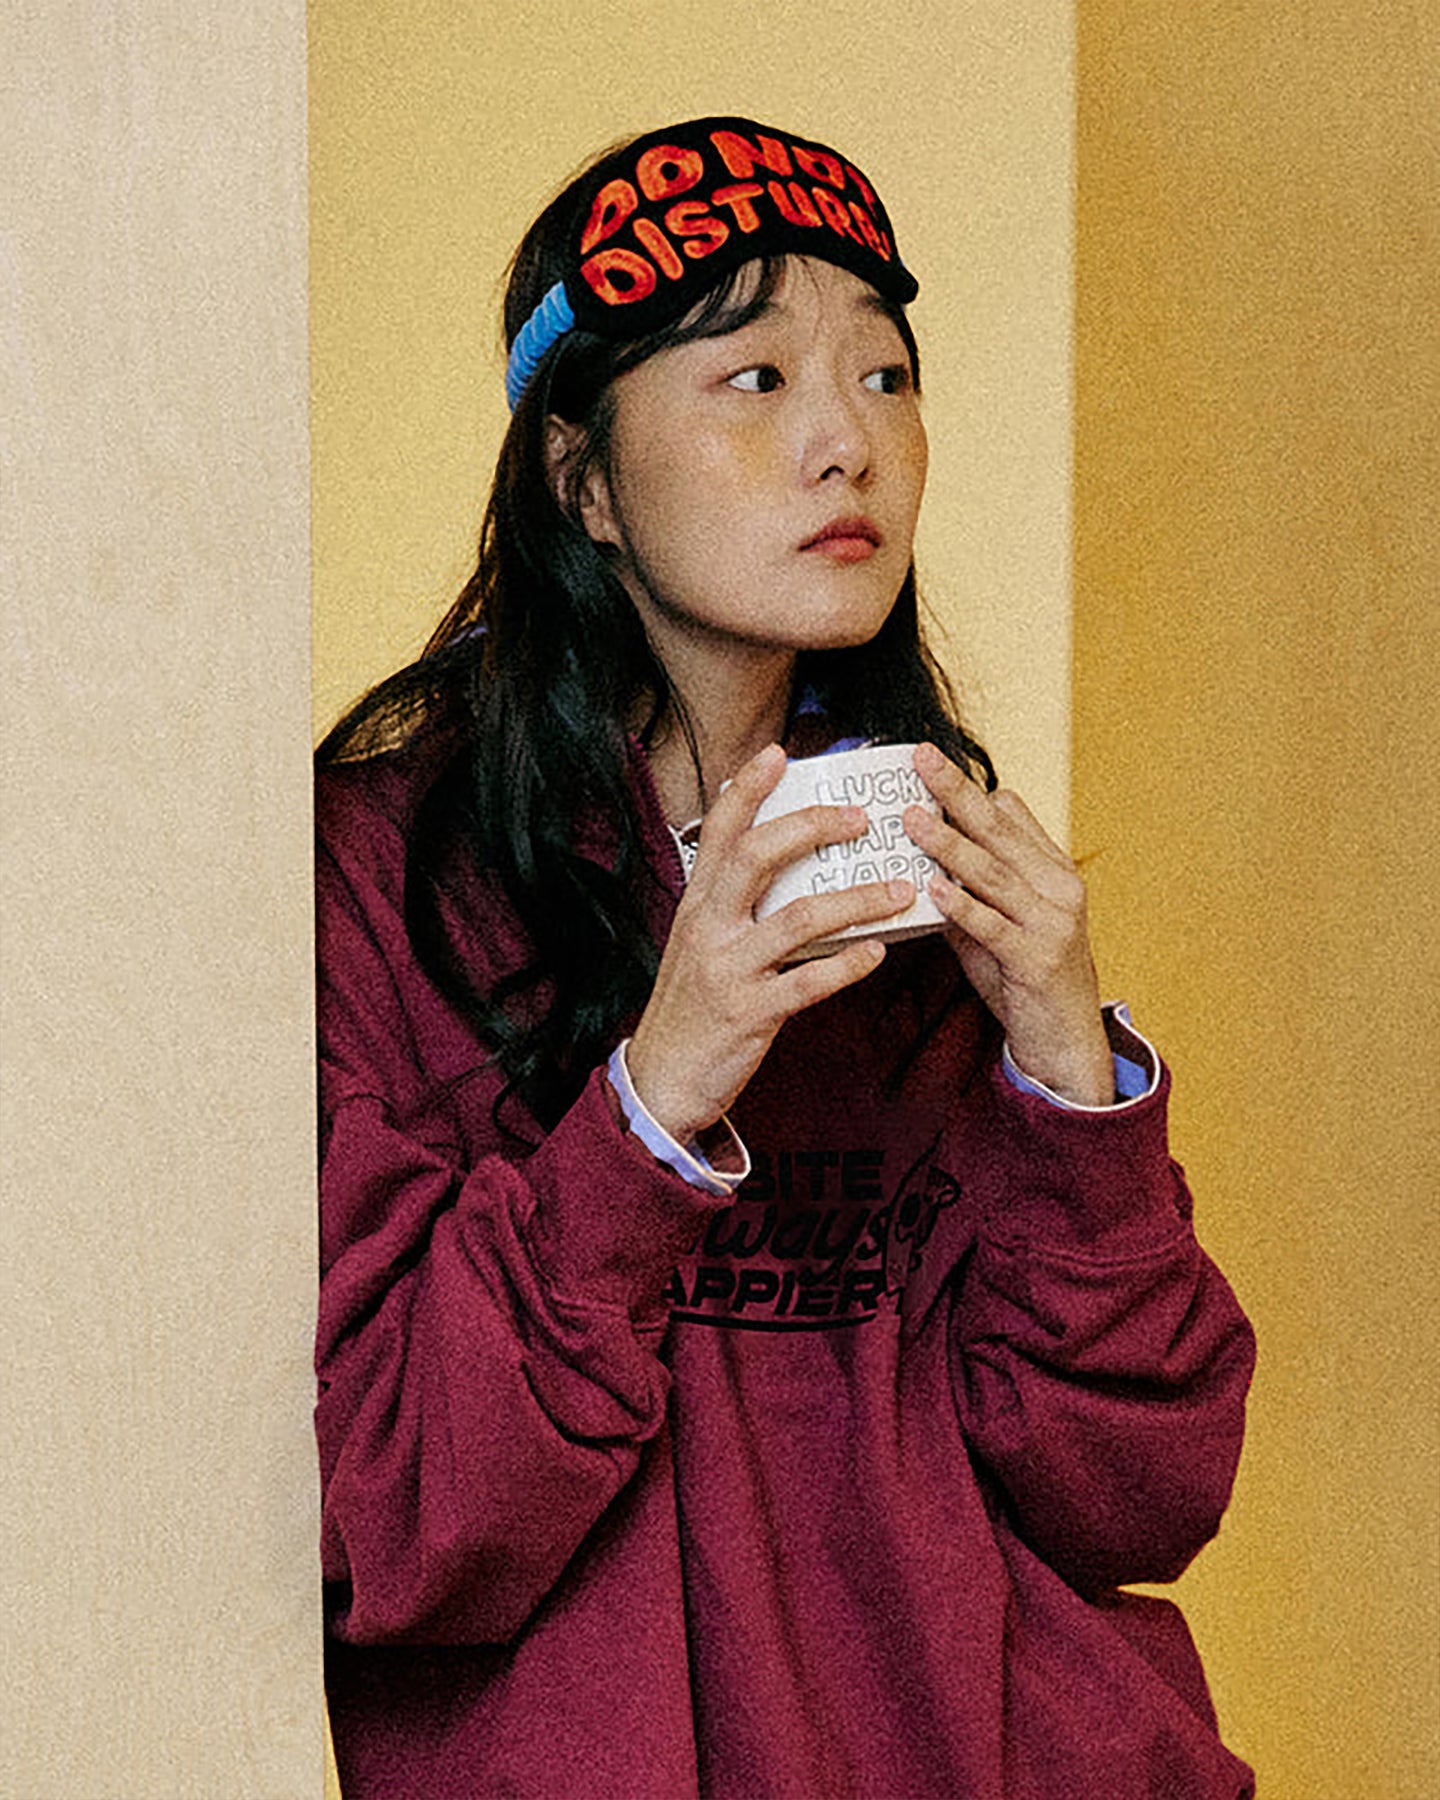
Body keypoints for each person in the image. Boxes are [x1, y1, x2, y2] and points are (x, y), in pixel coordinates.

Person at [315, 116, 1256, 1799]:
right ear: (581, 480)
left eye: (887, 377)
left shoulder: (939, 867)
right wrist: (654, 1101)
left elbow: (1138, 1502)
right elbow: (393, 1515)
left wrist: (1075, 1082)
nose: (848, 445)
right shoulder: (369, 879)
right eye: (754, 379)